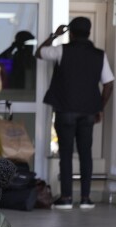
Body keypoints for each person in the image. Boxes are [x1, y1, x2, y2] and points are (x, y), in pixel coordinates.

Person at [35, 17, 114, 210]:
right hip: (88, 112)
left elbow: (39, 53)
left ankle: (67, 198)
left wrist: (55, 35)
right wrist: (99, 107)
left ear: (70, 32)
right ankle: (86, 198)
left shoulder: (62, 50)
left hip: (65, 110)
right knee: (86, 154)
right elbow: (109, 83)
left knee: (66, 154)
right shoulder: (99, 55)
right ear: (89, 32)